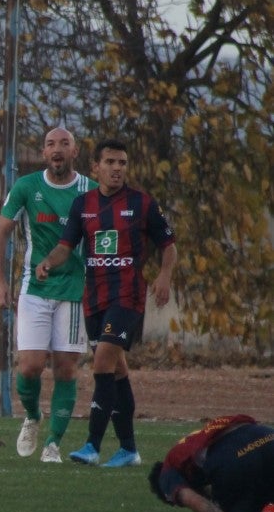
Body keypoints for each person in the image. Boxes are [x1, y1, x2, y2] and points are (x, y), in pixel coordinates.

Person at [34, 137, 177, 468]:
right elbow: (65, 245)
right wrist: (47, 262)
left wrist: (165, 276)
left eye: (122, 163)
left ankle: (92, 445)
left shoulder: (142, 203)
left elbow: (168, 244)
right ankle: (128, 449)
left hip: (127, 297)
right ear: (95, 168)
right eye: (110, 162)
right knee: (116, 371)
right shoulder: (83, 204)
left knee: (102, 364)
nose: (117, 168)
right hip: (94, 297)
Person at [0, 127, 94, 463]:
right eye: (51, 144)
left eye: (64, 143)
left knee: (65, 368)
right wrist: (0, 282)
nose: (57, 149)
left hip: (73, 291)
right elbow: (1, 232)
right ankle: (33, 416)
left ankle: (53, 444)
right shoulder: (27, 187)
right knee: (30, 367)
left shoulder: (90, 191)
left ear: (75, 151)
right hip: (35, 288)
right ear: (43, 153)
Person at [148, 414, 274, 512]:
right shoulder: (193, 444)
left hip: (234, 456)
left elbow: (196, 501)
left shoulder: (167, 473)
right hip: (265, 435)